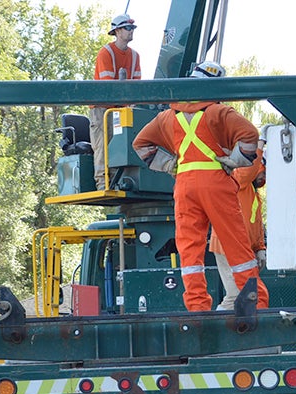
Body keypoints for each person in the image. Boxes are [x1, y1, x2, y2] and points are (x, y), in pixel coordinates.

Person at [132, 60, 269, 312]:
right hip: (216, 184)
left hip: (184, 187)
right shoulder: (219, 112)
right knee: (235, 244)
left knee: (189, 249)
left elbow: (140, 144)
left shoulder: (166, 117)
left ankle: (197, 307)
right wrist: (233, 161)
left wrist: (170, 165)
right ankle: (256, 303)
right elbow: (250, 135)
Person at [210, 138, 267, 309]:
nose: (264, 176)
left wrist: (260, 249)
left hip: (239, 247)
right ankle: (215, 331)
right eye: (262, 171)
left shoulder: (251, 193)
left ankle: (236, 331)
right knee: (236, 295)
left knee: (248, 294)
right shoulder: (237, 179)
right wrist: (260, 145)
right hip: (227, 245)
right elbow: (247, 171)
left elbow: (255, 226)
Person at [91, 14, 142, 190]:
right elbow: (108, 88)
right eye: (127, 28)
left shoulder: (135, 56)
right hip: (102, 109)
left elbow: (136, 87)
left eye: (132, 28)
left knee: (123, 144)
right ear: (117, 31)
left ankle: (120, 180)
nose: (131, 31)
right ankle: (103, 183)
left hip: (121, 109)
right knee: (103, 145)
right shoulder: (106, 53)